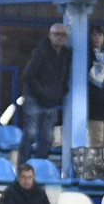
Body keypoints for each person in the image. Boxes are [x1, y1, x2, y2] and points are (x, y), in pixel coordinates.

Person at [19, 22, 70, 162]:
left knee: (47, 137)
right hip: (34, 99)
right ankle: (22, 165)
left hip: (51, 102)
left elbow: (64, 76)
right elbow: (27, 75)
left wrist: (61, 90)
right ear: (49, 35)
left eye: (62, 35)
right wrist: (42, 92)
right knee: (30, 133)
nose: (59, 37)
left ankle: (39, 166)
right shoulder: (40, 52)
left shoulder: (66, 54)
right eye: (56, 34)